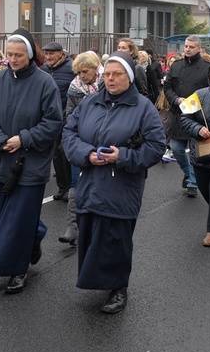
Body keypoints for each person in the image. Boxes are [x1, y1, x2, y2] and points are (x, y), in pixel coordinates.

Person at [62, 51, 165, 312]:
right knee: (92, 230)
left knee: (115, 237)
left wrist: (123, 156)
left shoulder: (143, 108)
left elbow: (156, 147)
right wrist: (86, 154)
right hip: (90, 179)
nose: (110, 79)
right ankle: (99, 279)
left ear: (129, 77)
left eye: (117, 74)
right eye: (107, 74)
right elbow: (69, 133)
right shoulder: (90, 102)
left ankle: (118, 288)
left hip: (122, 185)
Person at [0, 29, 62, 294]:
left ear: (30, 55)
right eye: (10, 55)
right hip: (3, 159)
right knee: (6, 218)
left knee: (17, 222)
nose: (12, 60)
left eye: (18, 55)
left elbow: (53, 122)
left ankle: (18, 269)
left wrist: (23, 139)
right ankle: (34, 236)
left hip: (31, 162)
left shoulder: (45, 83)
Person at [59, 51, 103, 245]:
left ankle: (95, 227)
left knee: (99, 186)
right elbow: (69, 114)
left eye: (85, 72)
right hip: (81, 144)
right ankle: (72, 227)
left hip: (103, 143)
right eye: (78, 73)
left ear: (95, 69)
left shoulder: (106, 86)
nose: (81, 76)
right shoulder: (74, 88)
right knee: (76, 185)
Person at [163, 35, 210, 198]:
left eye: (191, 47)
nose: (188, 49)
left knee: (196, 152)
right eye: (186, 47)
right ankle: (188, 173)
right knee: (176, 148)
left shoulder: (207, 67)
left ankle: (192, 182)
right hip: (178, 113)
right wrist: (176, 99)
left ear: (199, 49)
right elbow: (168, 87)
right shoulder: (175, 66)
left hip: (198, 115)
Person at [40, 41, 75, 201]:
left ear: (61, 54)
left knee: (65, 152)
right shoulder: (44, 70)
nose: (48, 57)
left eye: (51, 54)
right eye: (46, 54)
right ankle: (62, 188)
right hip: (50, 120)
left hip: (68, 119)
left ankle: (71, 187)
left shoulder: (71, 69)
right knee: (55, 154)